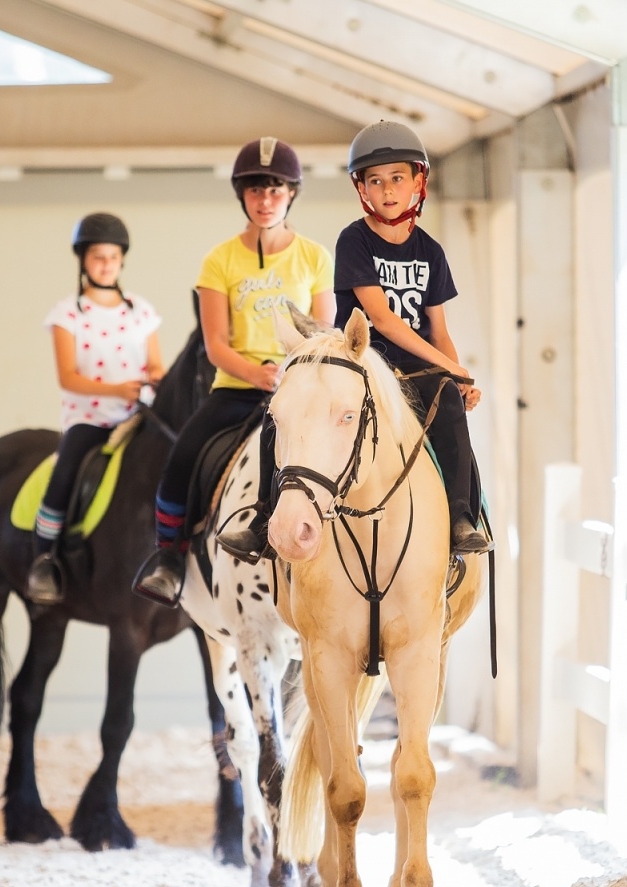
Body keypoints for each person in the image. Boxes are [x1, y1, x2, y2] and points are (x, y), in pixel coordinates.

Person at [216, 120, 490, 564]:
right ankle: (264, 518)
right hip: (360, 364)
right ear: (362, 188)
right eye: (375, 181)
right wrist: (453, 368)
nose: (387, 190)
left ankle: (462, 518)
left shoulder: (431, 252)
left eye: (397, 178)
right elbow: (381, 319)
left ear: (418, 182)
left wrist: (456, 378)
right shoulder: (354, 240)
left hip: (418, 369)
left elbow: (438, 330)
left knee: (451, 411)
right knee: (281, 411)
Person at [131, 137, 335, 607]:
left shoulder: (315, 257)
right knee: (181, 458)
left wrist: (289, 372)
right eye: (255, 190)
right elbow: (215, 344)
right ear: (242, 195)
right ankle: (169, 558)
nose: (265, 201)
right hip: (238, 388)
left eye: (275, 190)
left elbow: (323, 332)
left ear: (291, 194)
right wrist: (256, 373)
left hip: (298, 387)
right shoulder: (219, 260)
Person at [26, 212, 162, 604]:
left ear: (122, 261)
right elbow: (68, 377)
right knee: (65, 472)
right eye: (98, 257)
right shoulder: (67, 314)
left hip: (137, 415)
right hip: (90, 417)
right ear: (84, 260)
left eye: (113, 257)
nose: (106, 265)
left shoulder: (141, 310)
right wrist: (117, 389)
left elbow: (156, 364)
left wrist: (156, 379)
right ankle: (44, 558)